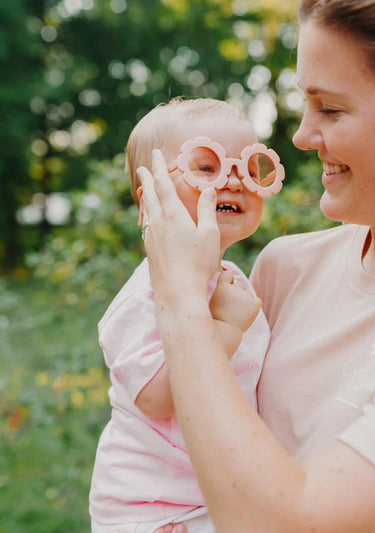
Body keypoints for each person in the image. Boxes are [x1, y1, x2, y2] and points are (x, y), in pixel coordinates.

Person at [137, 0, 375, 532]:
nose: (301, 136)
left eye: (330, 108)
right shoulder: (285, 269)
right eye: (306, 103)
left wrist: (182, 302)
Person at [89, 97, 285, 533]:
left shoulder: (235, 281)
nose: (234, 181)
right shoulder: (144, 296)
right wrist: (226, 326)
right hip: (155, 509)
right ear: (151, 199)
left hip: (215, 498)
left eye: (251, 168)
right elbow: (156, 398)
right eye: (207, 166)